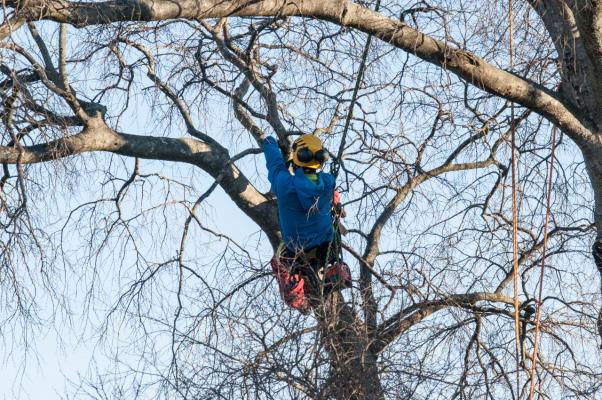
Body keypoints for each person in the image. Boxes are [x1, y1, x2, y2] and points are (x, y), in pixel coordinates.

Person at [264, 134, 349, 311]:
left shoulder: (283, 183)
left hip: (295, 249)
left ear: (298, 157)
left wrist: (270, 142)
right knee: (333, 237)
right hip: (326, 245)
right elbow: (331, 194)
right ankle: (334, 271)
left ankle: (295, 291)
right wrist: (336, 203)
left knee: (278, 262)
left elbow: (274, 164)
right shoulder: (328, 183)